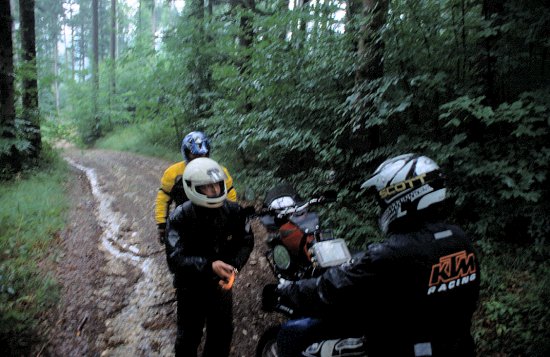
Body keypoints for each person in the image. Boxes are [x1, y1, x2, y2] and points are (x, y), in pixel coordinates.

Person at [263, 153, 480, 357]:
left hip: (402, 348)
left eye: (382, 199)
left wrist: (288, 289)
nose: (380, 206)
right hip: (457, 346)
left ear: (402, 197)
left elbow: (332, 286)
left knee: (296, 338)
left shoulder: (395, 253)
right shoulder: (458, 238)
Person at [165, 157, 254, 357]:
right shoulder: (179, 217)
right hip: (190, 287)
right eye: (207, 187)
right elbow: (175, 260)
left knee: (221, 336)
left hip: (221, 285)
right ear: (191, 187)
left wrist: (234, 268)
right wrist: (209, 266)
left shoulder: (233, 211)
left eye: (217, 185)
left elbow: (246, 241)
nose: (215, 191)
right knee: (188, 337)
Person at [155, 131, 237, 244]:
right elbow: (163, 199)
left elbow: (230, 196)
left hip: (214, 221)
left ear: (207, 153)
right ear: (187, 153)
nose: (199, 158)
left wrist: (231, 221)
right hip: (184, 221)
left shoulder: (218, 170)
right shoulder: (173, 173)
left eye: (202, 154)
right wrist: (162, 225)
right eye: (194, 155)